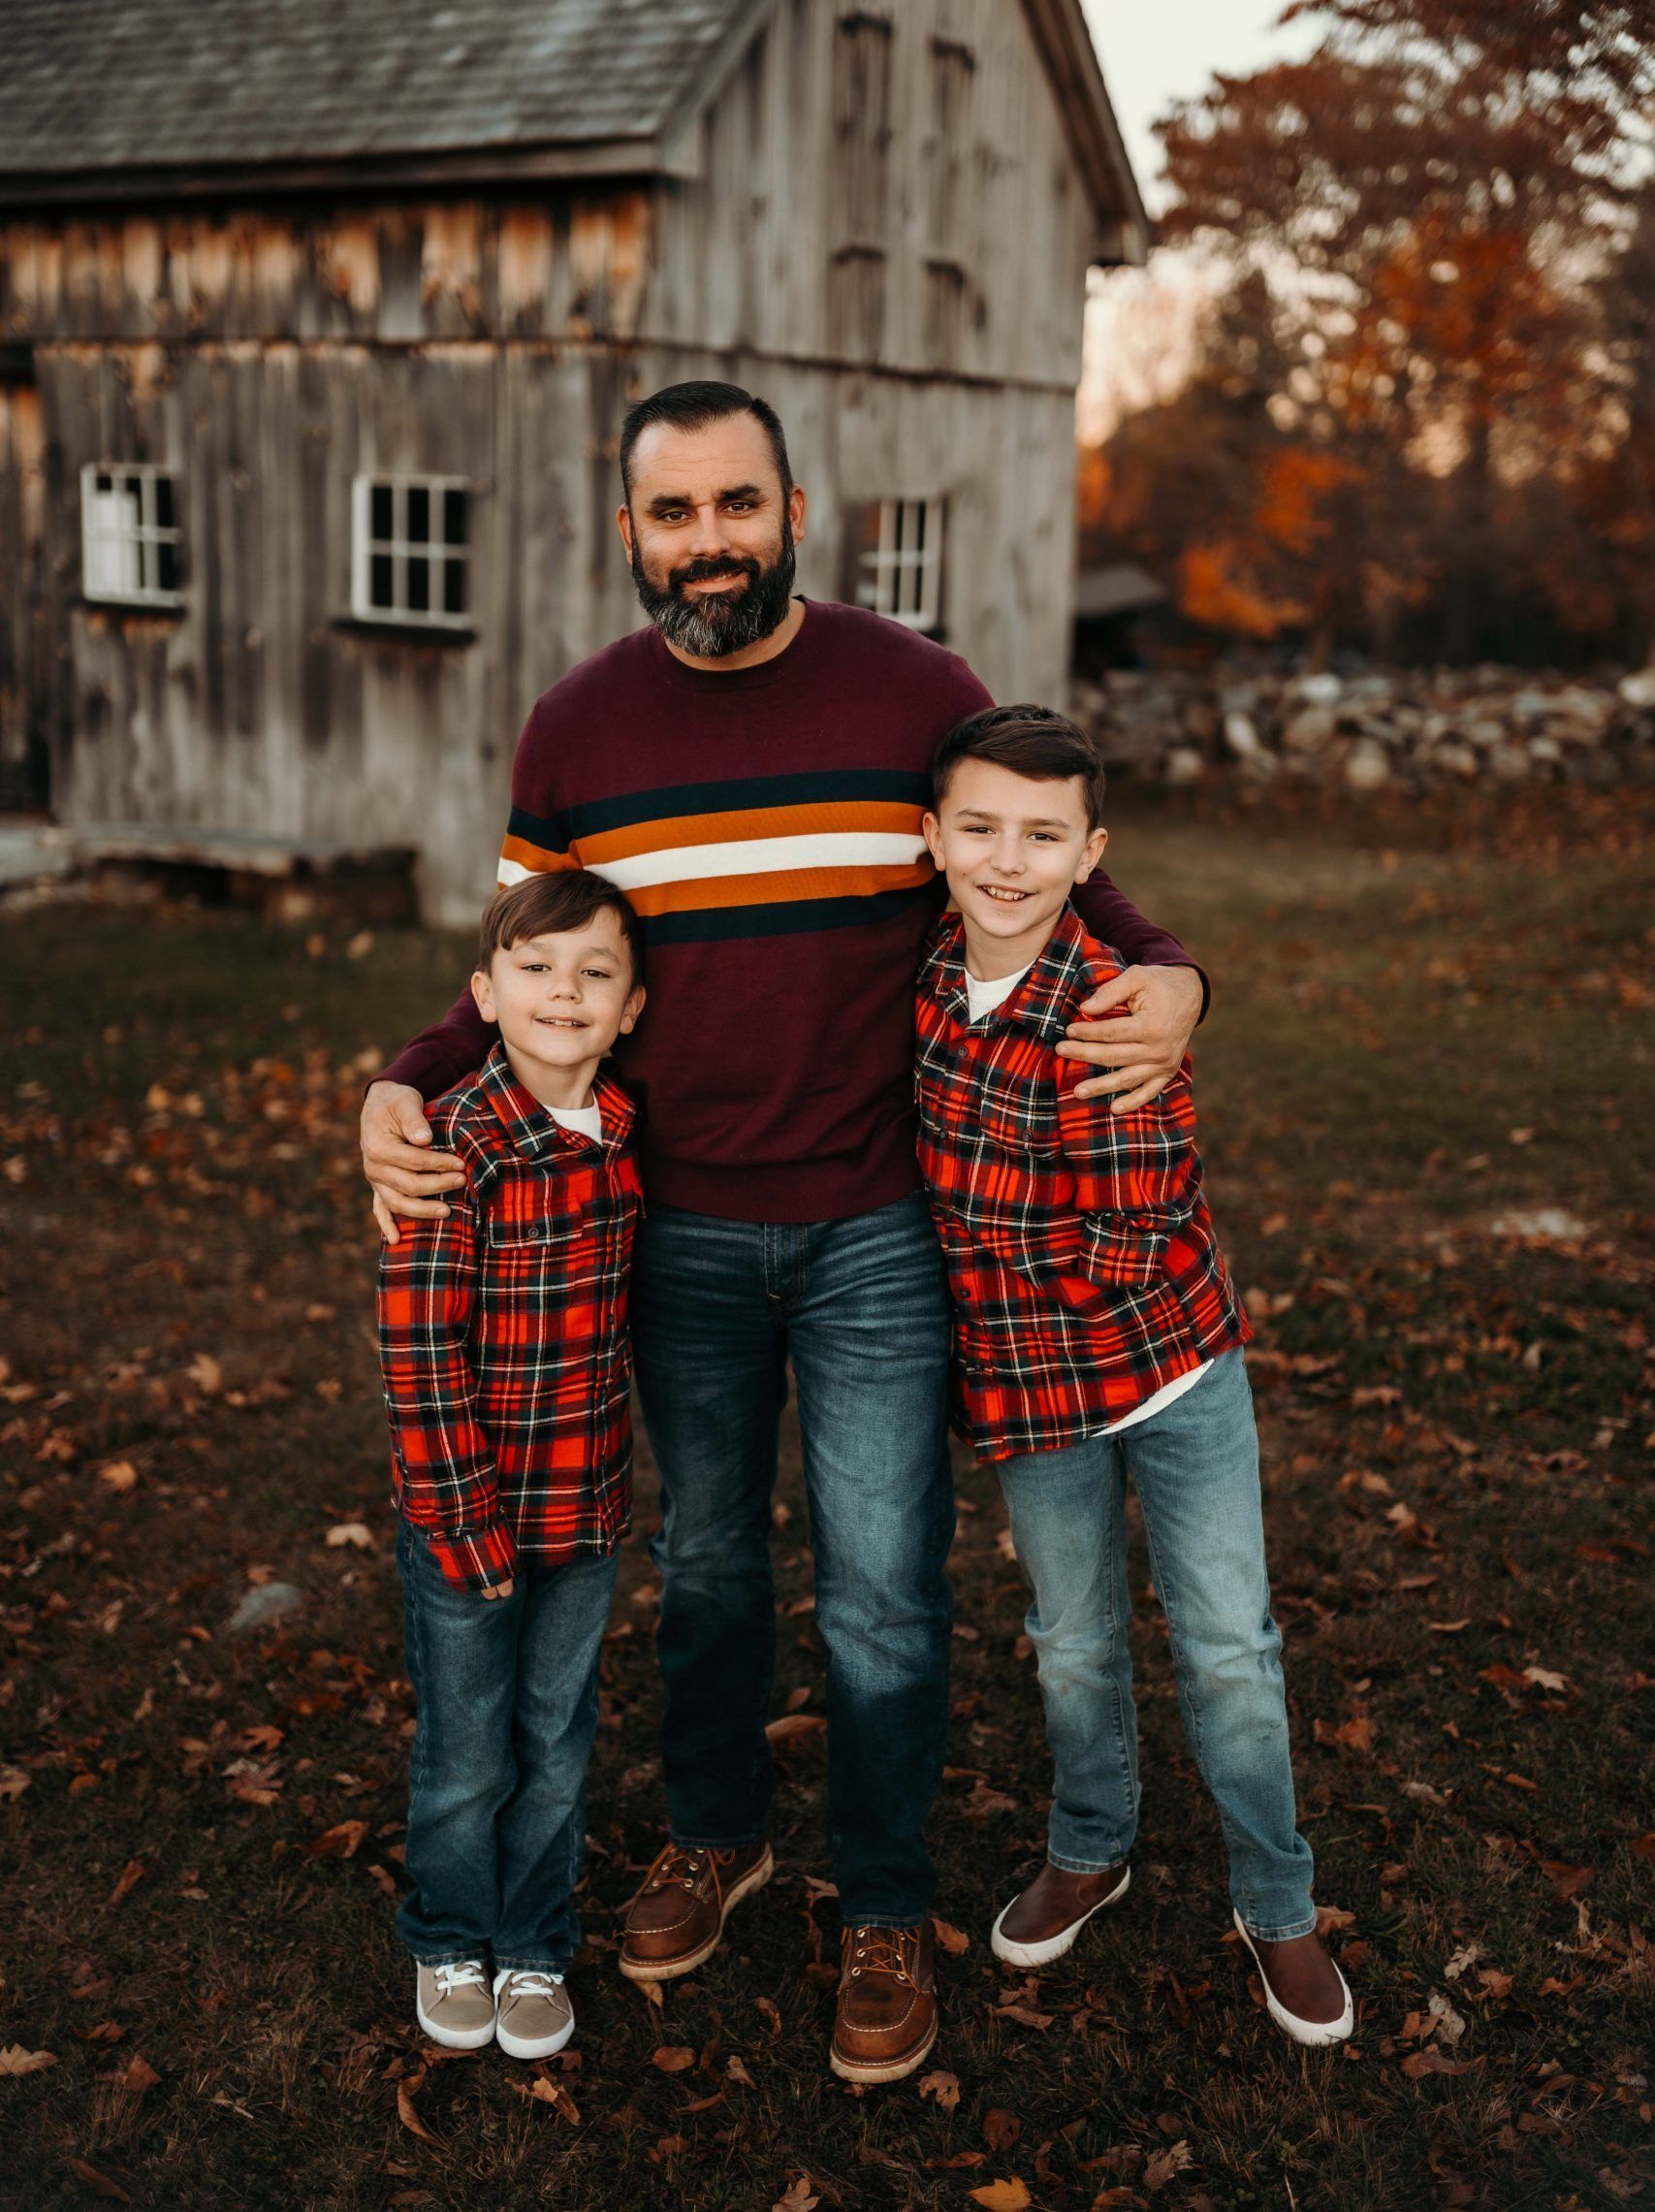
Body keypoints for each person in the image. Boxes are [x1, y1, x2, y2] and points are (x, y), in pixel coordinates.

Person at [361, 380, 1207, 2085]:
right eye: (672, 513)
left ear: (793, 512)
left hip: (878, 1220)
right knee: (709, 1566)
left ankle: (882, 1903)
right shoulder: (575, 729)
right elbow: (524, 954)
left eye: (736, 506)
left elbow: (1044, 864)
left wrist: (1169, 967)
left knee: (883, 1590)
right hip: (673, 1226)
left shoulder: (916, 691)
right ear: (628, 531)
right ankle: (715, 1834)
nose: (709, 542)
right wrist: (407, 1075)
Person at [915, 703, 1353, 2046]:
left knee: (1225, 1646)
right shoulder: (921, 981)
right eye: (980, 829)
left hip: (1166, 1370)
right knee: (1071, 1641)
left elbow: (1126, 1236)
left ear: (1088, 852)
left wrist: (975, 1260)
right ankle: (1090, 1843)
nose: (1008, 861)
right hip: (1030, 1395)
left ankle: (1276, 1902)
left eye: (1043, 837)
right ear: (930, 838)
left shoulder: (1114, 1006)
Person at [376, 869, 646, 2059]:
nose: (565, 991)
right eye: (536, 968)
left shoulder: (624, 1136)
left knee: (556, 1740)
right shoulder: (452, 1148)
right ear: (484, 994)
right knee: (467, 1747)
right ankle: (450, 1933)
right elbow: (421, 1360)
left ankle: (534, 1943)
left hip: (582, 1512)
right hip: (469, 1520)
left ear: (632, 1008)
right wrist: (466, 1531)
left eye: (595, 971)